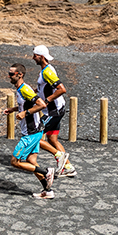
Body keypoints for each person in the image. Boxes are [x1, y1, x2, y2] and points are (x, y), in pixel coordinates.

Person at [3, 63, 58, 199]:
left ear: (19, 75)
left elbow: (41, 104)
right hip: (35, 132)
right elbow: (27, 104)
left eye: (11, 74)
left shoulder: (25, 89)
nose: (9, 76)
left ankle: (46, 172)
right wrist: (14, 109)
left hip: (31, 133)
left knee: (15, 162)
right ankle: (48, 191)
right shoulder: (20, 89)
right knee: (31, 161)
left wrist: (25, 113)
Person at [32, 45, 76, 177]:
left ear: (41, 57)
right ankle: (68, 167)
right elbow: (45, 88)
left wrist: (47, 101)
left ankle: (59, 156)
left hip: (52, 111)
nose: (33, 58)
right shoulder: (46, 70)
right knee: (52, 139)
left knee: (34, 137)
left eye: (35, 55)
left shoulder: (47, 72)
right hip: (56, 110)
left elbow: (62, 89)